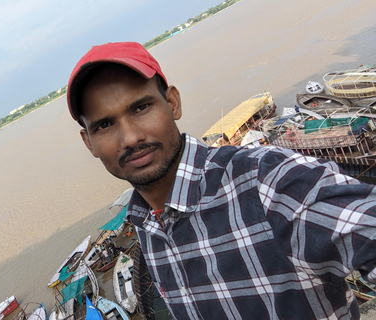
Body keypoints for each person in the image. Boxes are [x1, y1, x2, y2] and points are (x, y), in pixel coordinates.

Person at [66, 42, 376, 319]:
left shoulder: (264, 180)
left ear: (172, 103)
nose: (131, 137)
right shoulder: (147, 222)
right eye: (105, 124)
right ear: (89, 142)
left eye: (142, 107)